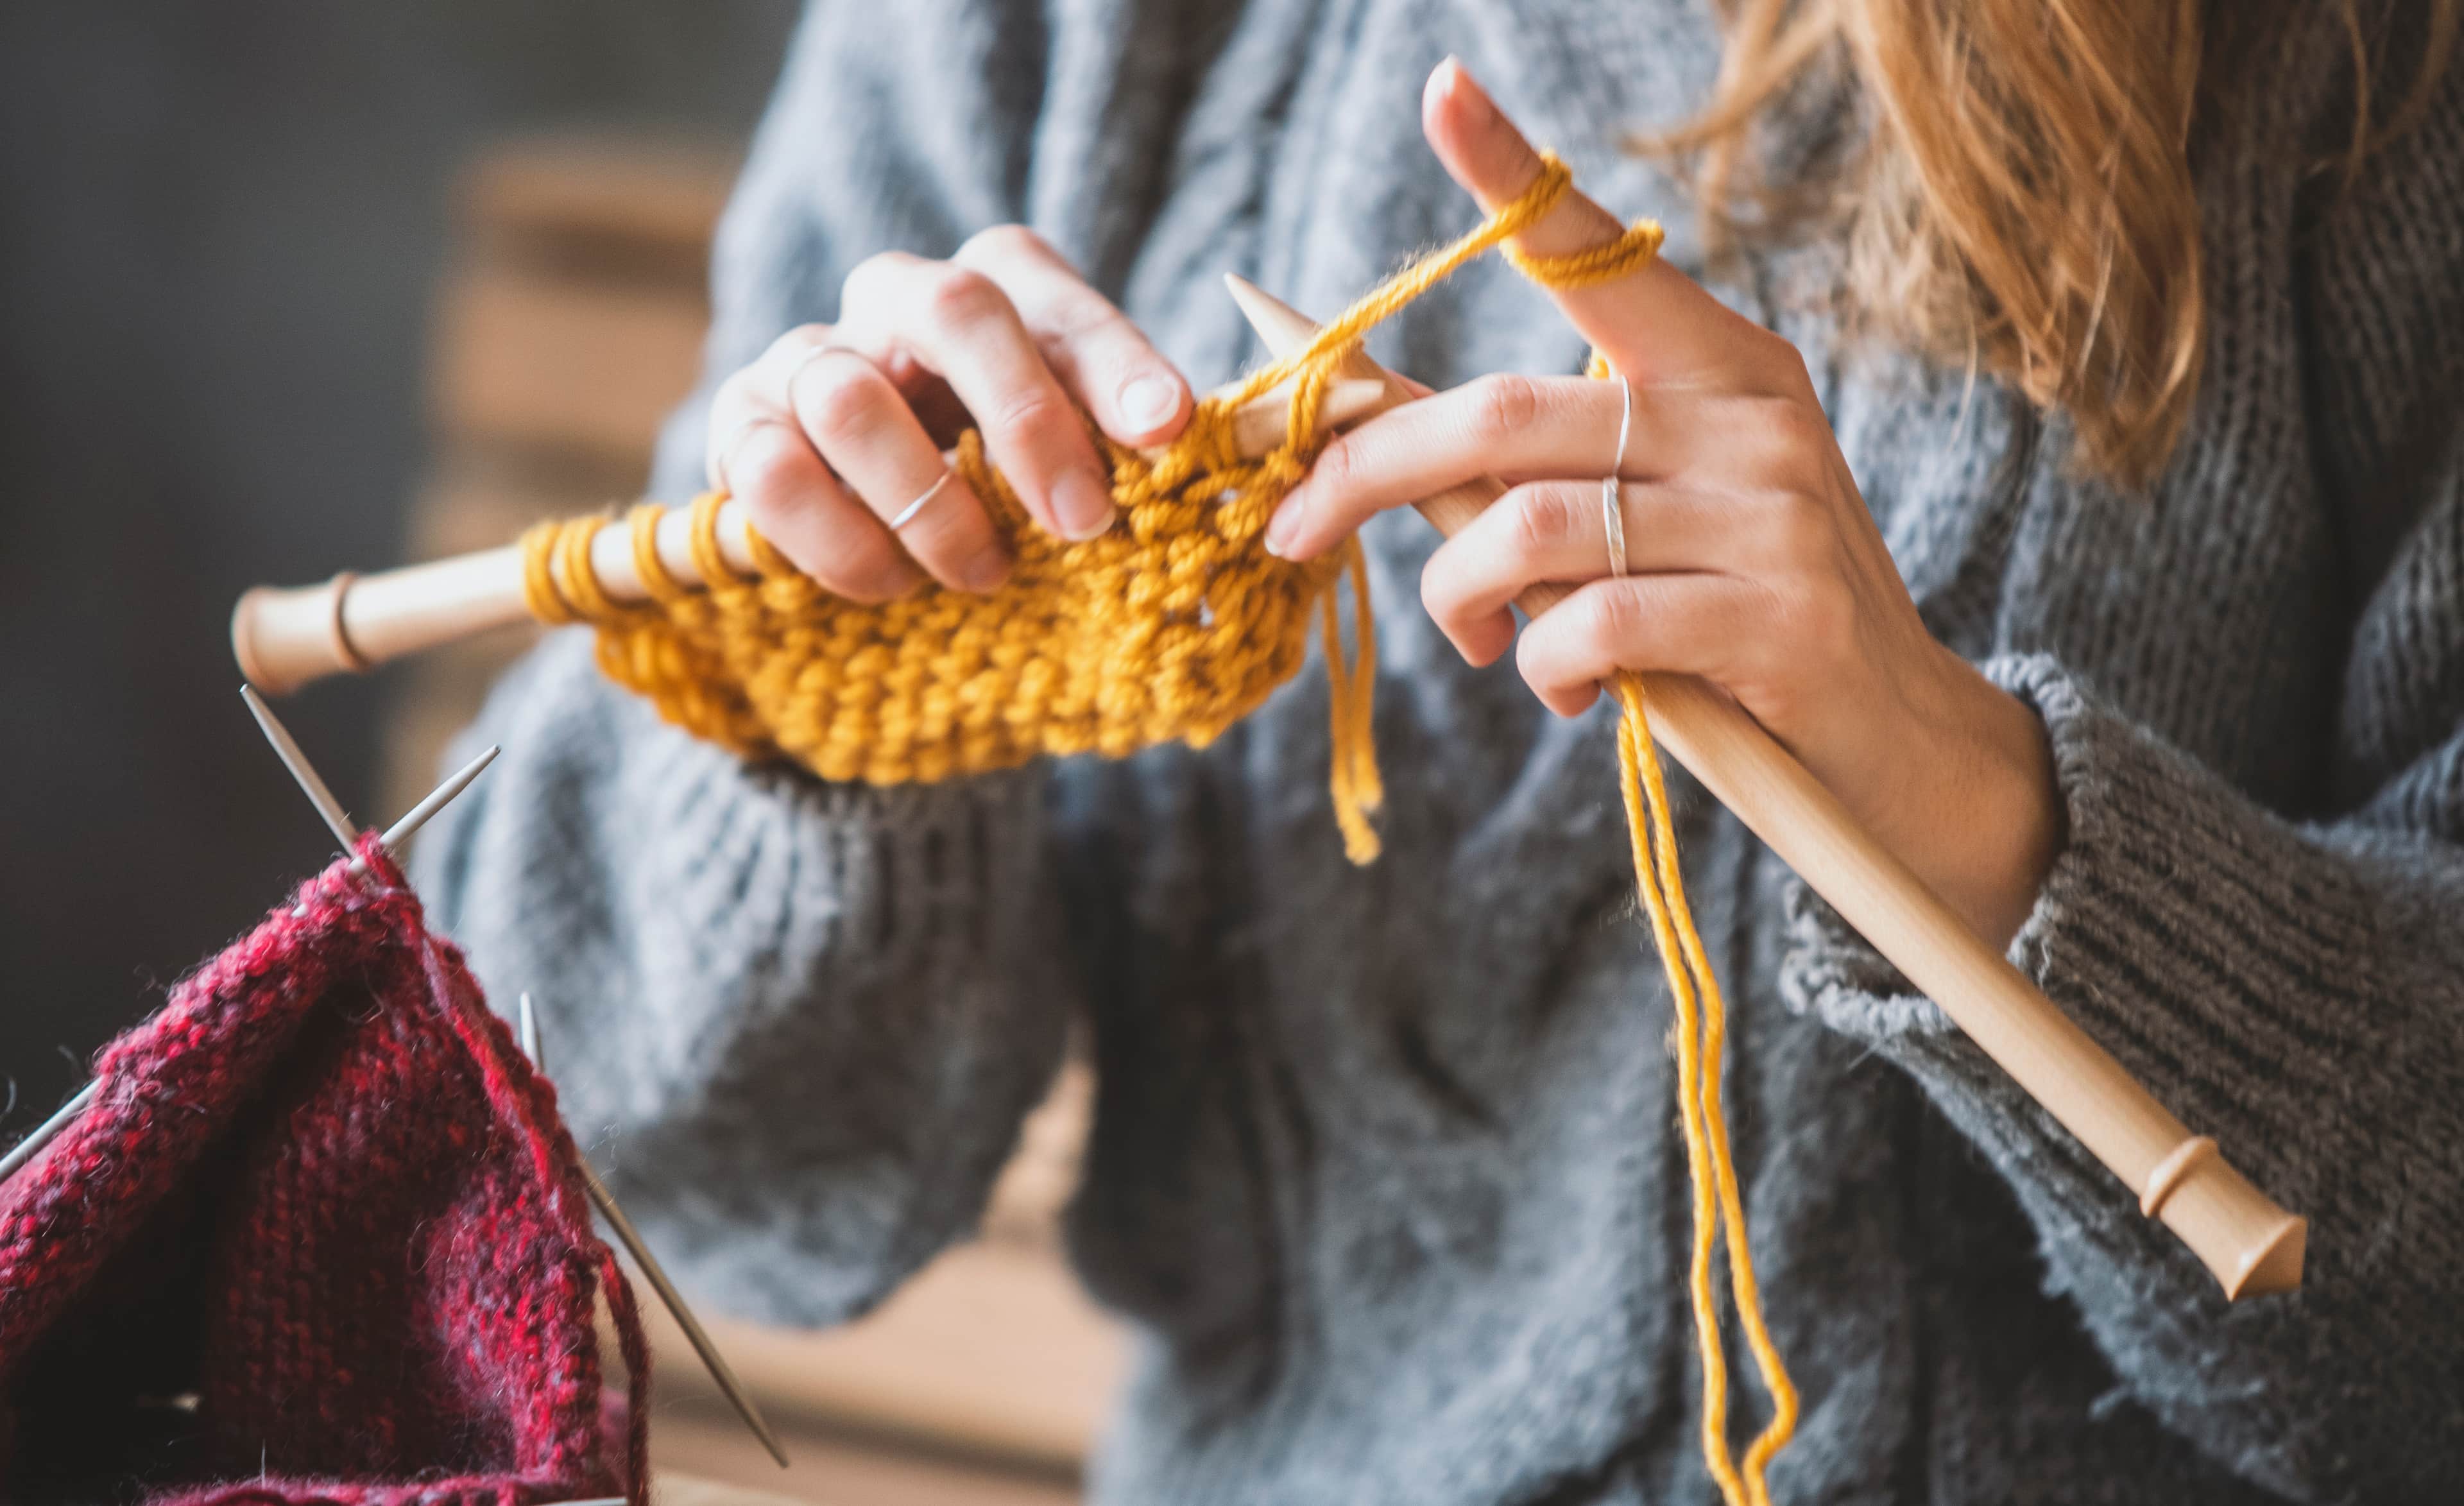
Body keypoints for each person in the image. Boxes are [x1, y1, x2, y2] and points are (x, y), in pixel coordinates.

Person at [418, 3, 2464, 1500]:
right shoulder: (1060, 37)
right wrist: (826, 685)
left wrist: (1977, 804)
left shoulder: (2373, 89)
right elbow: (664, 1162)